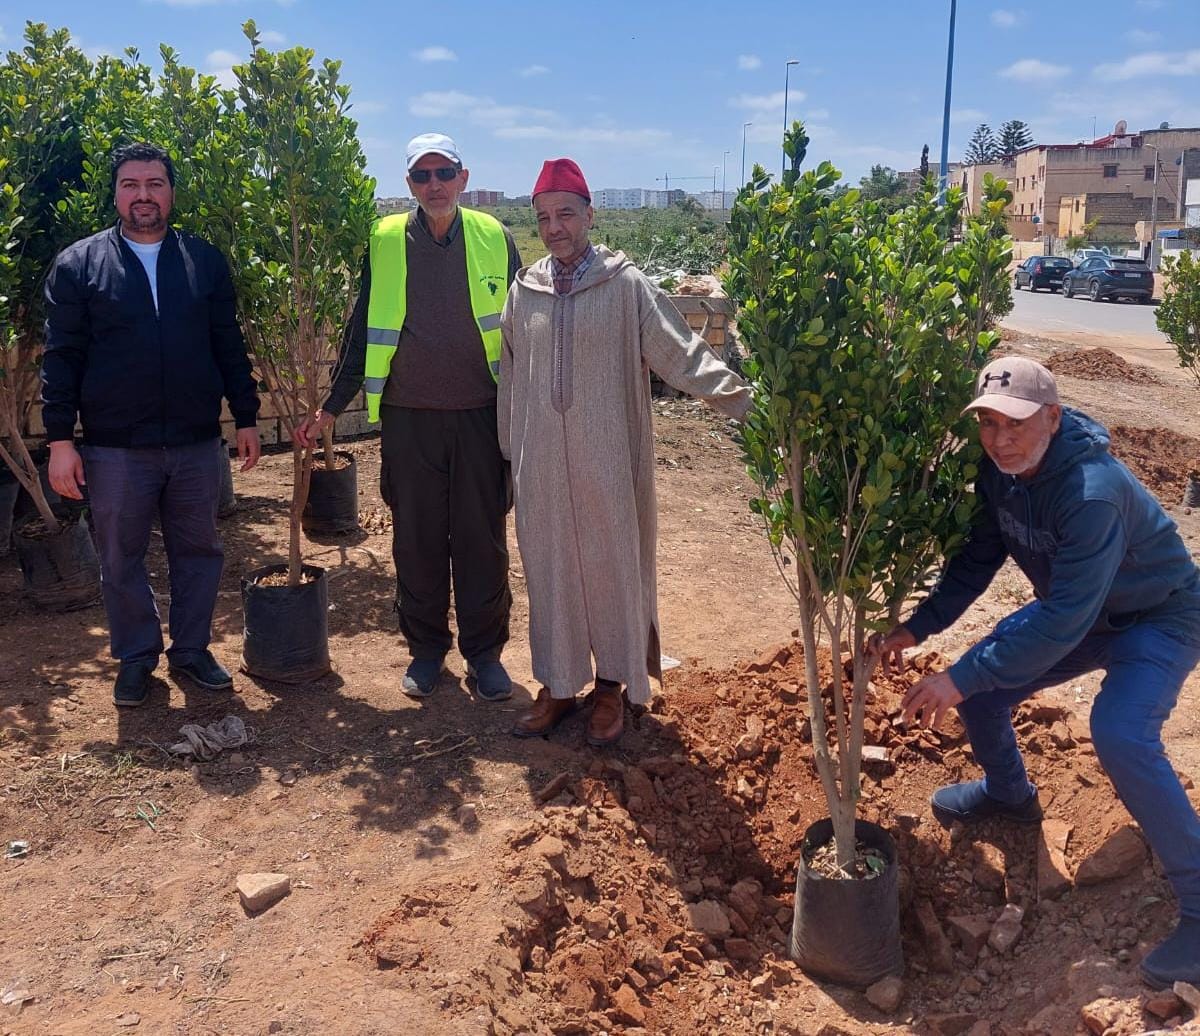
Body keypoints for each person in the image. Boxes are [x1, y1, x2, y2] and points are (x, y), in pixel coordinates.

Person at [871, 356, 1200, 989]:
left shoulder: (1091, 495)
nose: (1000, 438)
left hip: (1160, 617)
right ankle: (1010, 795)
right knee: (985, 689)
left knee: (1122, 732)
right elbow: (976, 563)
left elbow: (1060, 624)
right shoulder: (1002, 476)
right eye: (989, 423)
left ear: (1052, 417)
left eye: (1016, 423)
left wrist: (960, 676)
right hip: (1085, 612)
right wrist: (919, 626)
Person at [499, 158, 751, 747]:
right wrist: (510, 455)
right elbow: (509, 379)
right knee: (551, 570)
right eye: (543, 217)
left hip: (608, 461)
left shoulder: (624, 286)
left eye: (565, 213)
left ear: (590, 214)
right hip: (541, 469)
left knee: (614, 568)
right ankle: (560, 686)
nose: (554, 227)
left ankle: (611, 688)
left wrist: (747, 404)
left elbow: (681, 354)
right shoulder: (525, 291)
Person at [294, 133, 520, 702]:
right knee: (416, 540)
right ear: (409, 185)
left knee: (481, 539)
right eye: (422, 176)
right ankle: (426, 650)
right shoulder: (387, 239)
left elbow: (524, 328)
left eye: (444, 173)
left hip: (481, 415)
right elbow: (361, 328)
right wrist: (329, 407)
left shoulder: (496, 236)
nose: (435, 185)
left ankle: (485, 653)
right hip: (408, 418)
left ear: (463, 178)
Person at [42, 141, 261, 708]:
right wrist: (61, 440)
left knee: (200, 550)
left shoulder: (203, 261)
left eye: (154, 184)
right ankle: (136, 657)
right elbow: (61, 357)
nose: (143, 196)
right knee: (119, 558)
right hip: (116, 448)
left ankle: (190, 651)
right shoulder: (78, 265)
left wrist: (246, 417)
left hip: (193, 442)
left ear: (170, 192)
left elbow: (227, 344)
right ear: (116, 194)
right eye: (131, 185)